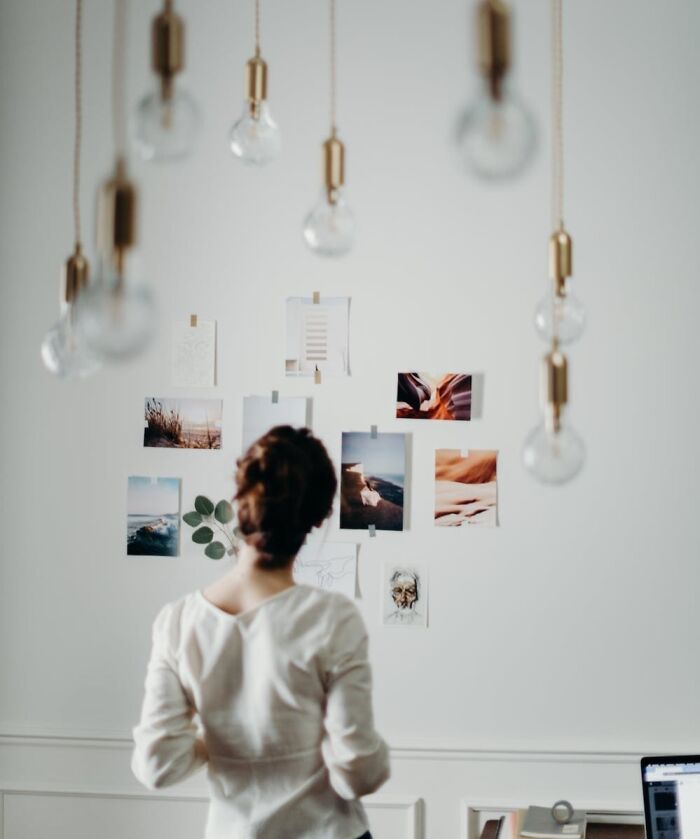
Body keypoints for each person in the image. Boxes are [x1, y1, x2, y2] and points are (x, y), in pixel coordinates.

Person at [131, 426, 390, 839]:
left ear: (241, 500)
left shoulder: (178, 621)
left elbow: (157, 765)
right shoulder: (332, 618)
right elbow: (357, 774)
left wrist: (214, 742)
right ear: (320, 516)